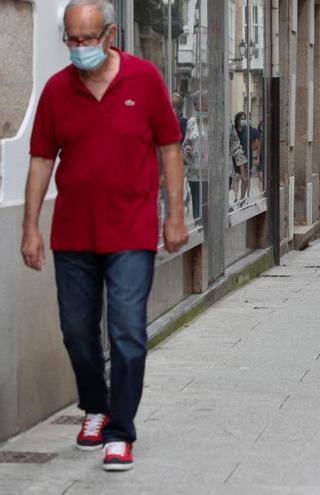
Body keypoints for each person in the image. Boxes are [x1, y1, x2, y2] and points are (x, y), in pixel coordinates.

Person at [20, 0, 188, 471]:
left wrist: (174, 216)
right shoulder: (56, 90)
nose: (78, 49)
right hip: (72, 233)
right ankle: (96, 406)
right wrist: (30, 226)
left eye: (87, 39)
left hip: (131, 230)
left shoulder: (145, 79)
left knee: (128, 332)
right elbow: (39, 160)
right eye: (71, 40)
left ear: (110, 35)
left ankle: (119, 431)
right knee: (77, 332)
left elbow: (170, 147)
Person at [235, 111, 263, 199]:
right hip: (235, 157)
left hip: (246, 158)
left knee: (245, 179)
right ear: (238, 120)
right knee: (237, 177)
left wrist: (257, 157)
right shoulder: (234, 130)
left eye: (246, 119)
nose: (244, 121)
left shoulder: (249, 131)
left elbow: (257, 145)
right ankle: (237, 197)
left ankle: (243, 198)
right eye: (242, 119)